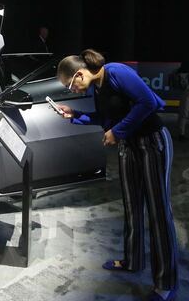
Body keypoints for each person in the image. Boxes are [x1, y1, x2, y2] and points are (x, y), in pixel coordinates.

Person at [55, 49, 178, 301]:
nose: (73, 90)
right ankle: (133, 261)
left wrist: (118, 132)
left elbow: (148, 103)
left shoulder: (115, 72)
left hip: (152, 142)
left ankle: (165, 283)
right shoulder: (98, 88)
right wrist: (75, 115)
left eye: (70, 85)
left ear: (79, 74)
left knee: (158, 212)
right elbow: (104, 119)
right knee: (132, 205)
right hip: (130, 146)